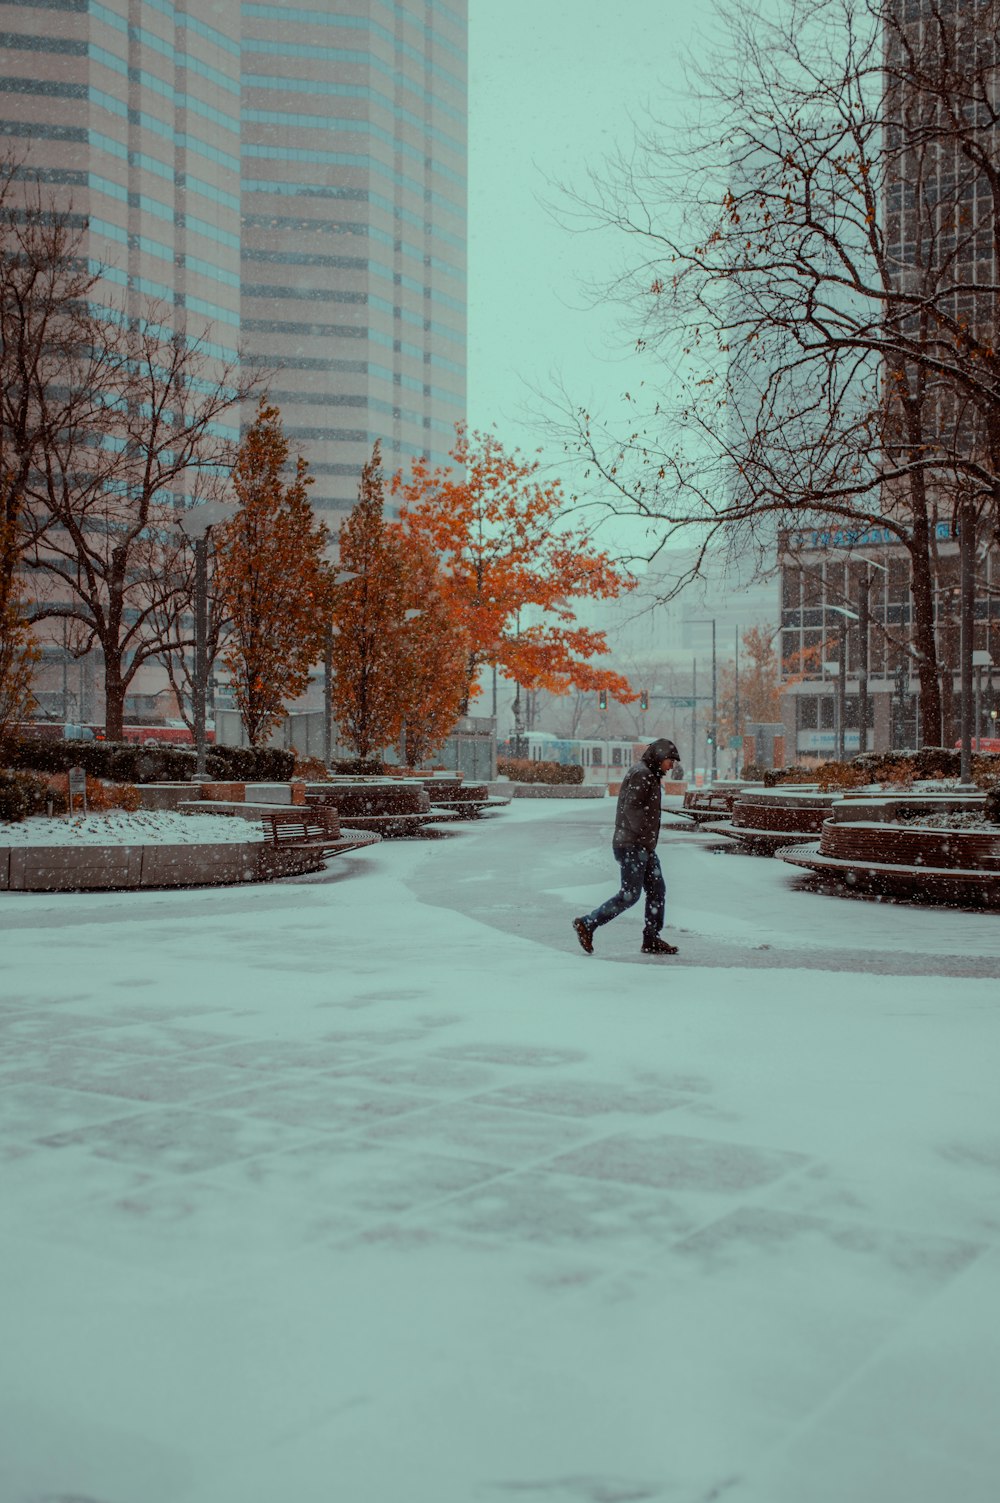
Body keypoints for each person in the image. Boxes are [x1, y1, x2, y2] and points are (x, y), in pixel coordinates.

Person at [573, 737, 682, 957]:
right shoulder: (642, 774)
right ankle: (587, 923)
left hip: (643, 845)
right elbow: (631, 807)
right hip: (632, 845)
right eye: (670, 761)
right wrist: (642, 835)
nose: (672, 766)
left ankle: (651, 937)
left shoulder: (650, 774)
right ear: (660, 757)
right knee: (630, 895)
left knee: (657, 891)